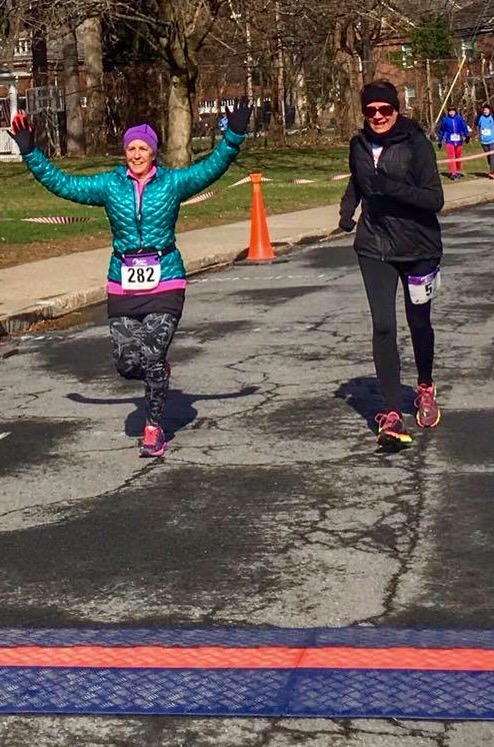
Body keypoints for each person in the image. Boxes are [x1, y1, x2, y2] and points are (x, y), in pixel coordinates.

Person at [9, 102, 251, 458]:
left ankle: (153, 428)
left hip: (165, 280)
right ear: (125, 153)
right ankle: (158, 372)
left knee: (151, 355)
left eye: (143, 149)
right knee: (127, 364)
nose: (136, 155)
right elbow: (63, 184)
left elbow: (211, 168)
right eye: (131, 149)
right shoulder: (110, 185)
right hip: (124, 283)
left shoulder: (172, 183)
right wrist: (30, 151)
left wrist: (234, 136)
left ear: (154, 153)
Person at [338, 79, 444, 448]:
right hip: (375, 245)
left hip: (418, 247)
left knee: (419, 322)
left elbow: (435, 199)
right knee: (383, 325)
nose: (378, 116)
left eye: (385, 109)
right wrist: (347, 210)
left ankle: (425, 387)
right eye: (371, 110)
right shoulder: (359, 144)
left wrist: (392, 188)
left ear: (396, 110)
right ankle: (392, 411)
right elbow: (358, 181)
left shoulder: (416, 144)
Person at [436, 105, 470, 180]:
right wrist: (439, 141)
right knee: (451, 156)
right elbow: (441, 130)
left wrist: (467, 135)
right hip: (449, 140)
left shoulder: (459, 119)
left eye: (453, 111)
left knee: (458, 156)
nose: (451, 113)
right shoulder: (445, 120)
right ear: (448, 112)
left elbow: (463, 127)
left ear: (455, 112)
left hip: (458, 140)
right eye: (450, 111)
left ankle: (457, 171)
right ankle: (453, 173)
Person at [474, 102, 494, 179]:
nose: (485, 111)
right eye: (484, 110)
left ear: (489, 110)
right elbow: (475, 123)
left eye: (487, 110)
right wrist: (479, 113)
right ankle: (492, 169)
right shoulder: (480, 117)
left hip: (492, 140)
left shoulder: (492, 117)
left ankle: (491, 172)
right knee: (488, 156)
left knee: (492, 156)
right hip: (484, 141)